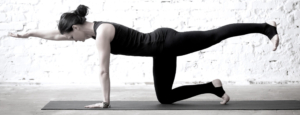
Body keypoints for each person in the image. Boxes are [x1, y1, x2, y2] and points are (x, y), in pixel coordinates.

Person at [9, 4, 280, 108]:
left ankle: (266, 28)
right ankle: (212, 87)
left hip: (166, 41)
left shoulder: (102, 33)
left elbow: (103, 70)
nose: (71, 41)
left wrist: (105, 101)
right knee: (165, 98)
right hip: (159, 52)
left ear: (77, 27)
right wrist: (29, 33)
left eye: (71, 36)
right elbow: (56, 35)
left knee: (213, 35)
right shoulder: (91, 31)